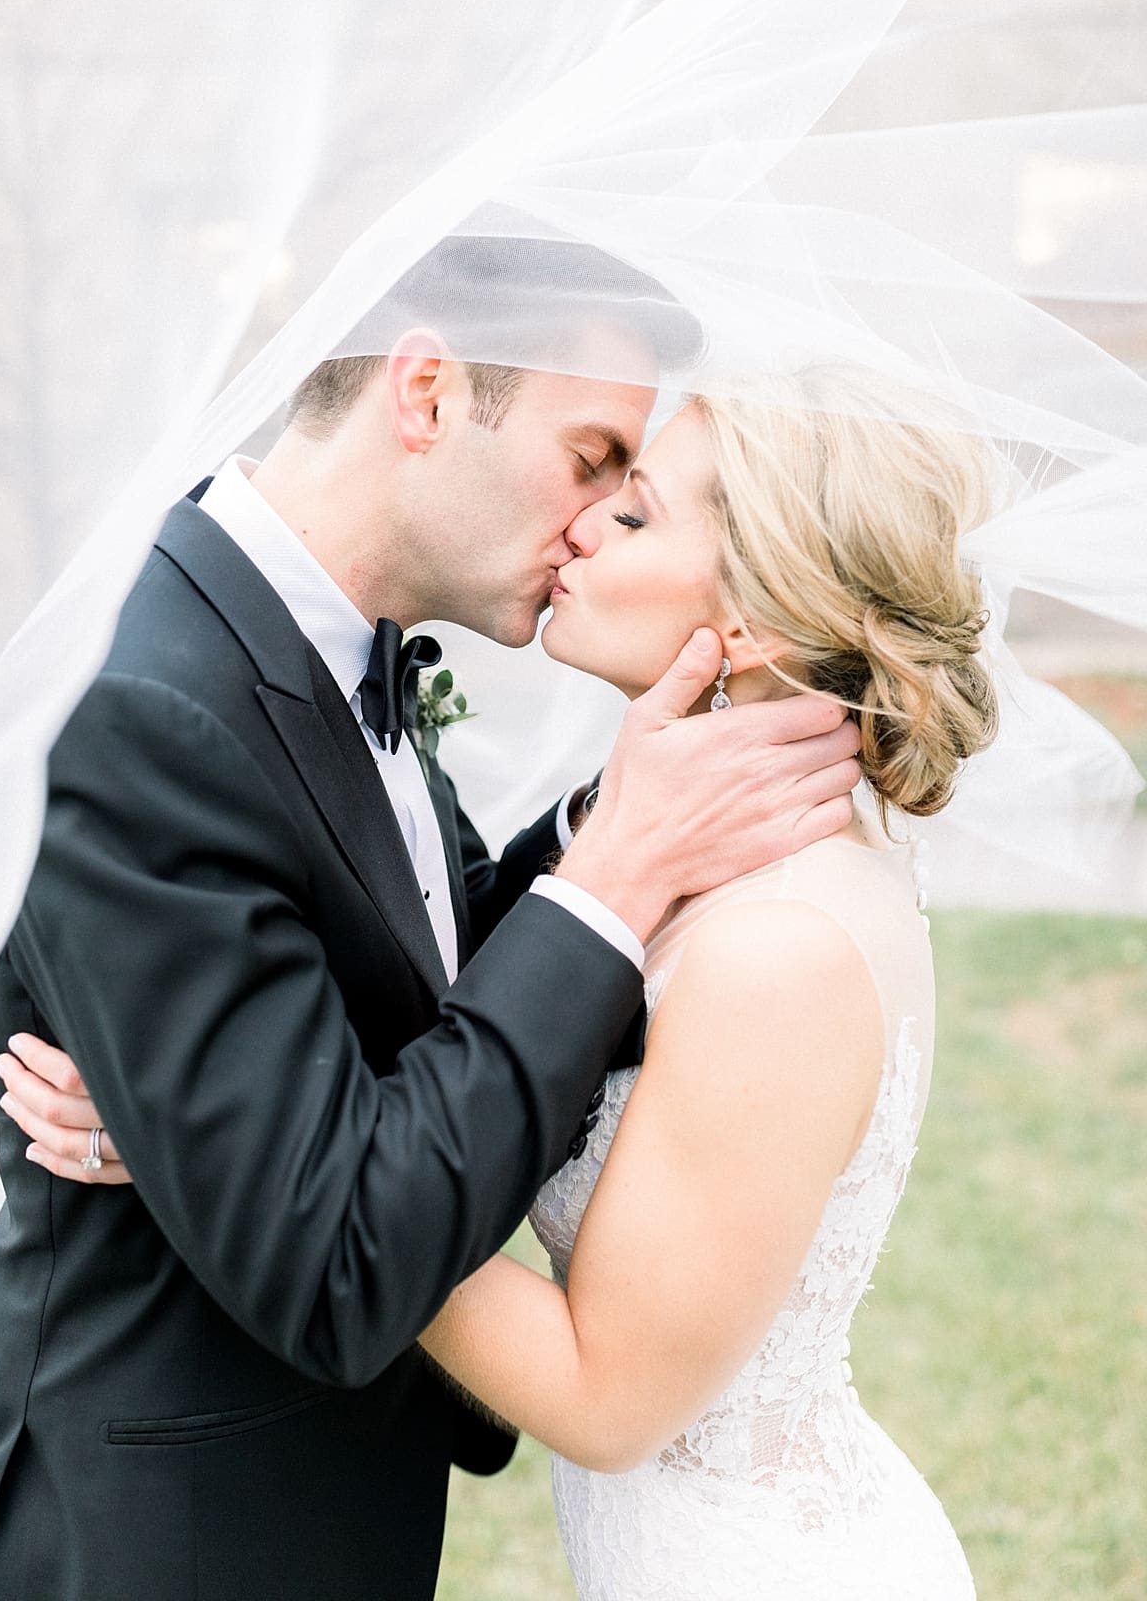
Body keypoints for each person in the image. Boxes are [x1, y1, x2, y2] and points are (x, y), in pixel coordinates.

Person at [0, 238, 861, 1601]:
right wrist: (615, 877)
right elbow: (332, 1263)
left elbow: (413, 975)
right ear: (425, 394)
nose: (593, 526)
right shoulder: (145, 705)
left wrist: (604, 831)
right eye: (592, 459)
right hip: (159, 1552)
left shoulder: (332, 642)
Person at [412, 367, 997, 1598]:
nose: (580, 523)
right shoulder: (714, 864)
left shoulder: (776, 948)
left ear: (752, 631)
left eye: (633, 515)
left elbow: (606, 1397)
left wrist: (273, 1171)